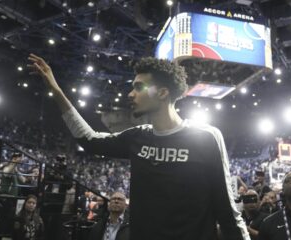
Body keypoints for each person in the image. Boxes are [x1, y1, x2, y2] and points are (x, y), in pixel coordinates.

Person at [27, 54, 250, 239]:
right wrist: (57, 91)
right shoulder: (137, 137)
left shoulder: (206, 137)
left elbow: (227, 213)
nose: (130, 94)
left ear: (163, 93)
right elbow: (89, 139)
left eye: (139, 87)